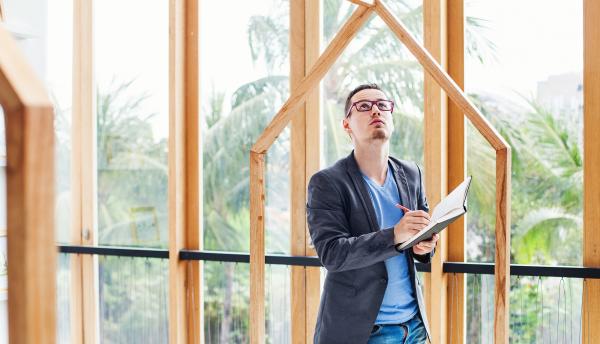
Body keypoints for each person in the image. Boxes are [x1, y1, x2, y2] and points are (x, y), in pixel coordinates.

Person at [307, 83, 439, 344]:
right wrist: (395, 234)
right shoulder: (327, 183)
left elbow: (420, 238)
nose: (375, 110)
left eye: (382, 105)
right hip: (363, 332)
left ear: (392, 118)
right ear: (347, 125)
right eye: (364, 107)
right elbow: (332, 254)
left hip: (414, 328)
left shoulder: (412, 173)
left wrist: (425, 246)